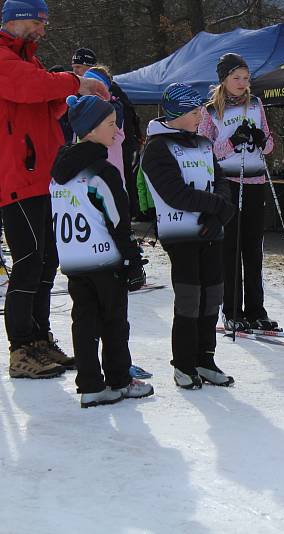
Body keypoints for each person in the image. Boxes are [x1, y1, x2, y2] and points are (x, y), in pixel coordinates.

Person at [0, 0, 110, 379]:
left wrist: (71, 101)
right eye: (38, 22)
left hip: (42, 177)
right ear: (15, 21)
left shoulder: (29, 61)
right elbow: (28, 88)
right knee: (29, 262)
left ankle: (40, 338)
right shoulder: (4, 58)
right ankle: (21, 349)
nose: (42, 31)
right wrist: (73, 81)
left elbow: (42, 104)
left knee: (47, 263)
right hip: (17, 180)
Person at [50, 95, 153, 407]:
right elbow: (118, 222)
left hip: (73, 259)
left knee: (83, 322)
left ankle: (91, 384)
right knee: (113, 322)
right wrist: (132, 261)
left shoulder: (58, 173)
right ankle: (119, 379)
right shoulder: (101, 171)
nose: (116, 131)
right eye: (110, 124)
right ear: (91, 130)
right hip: (103, 259)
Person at [140, 83, 235, 389]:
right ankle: (183, 364)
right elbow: (174, 193)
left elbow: (220, 181)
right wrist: (217, 208)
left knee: (212, 296)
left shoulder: (204, 144)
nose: (200, 116)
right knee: (190, 298)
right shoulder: (156, 148)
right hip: (180, 233)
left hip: (210, 230)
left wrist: (219, 213)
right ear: (177, 113)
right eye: (195, 111)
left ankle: (205, 359)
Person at [198, 53, 278, 333]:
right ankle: (231, 309)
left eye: (246, 78)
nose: (243, 83)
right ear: (224, 80)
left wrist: (260, 140)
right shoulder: (209, 112)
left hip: (255, 183)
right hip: (228, 185)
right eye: (237, 78)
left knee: (254, 250)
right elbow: (205, 153)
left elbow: (269, 146)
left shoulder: (256, 104)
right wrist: (233, 141)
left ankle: (257, 310)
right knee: (230, 251)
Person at [73, 47, 144, 219]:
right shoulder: (81, 105)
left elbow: (119, 126)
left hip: (111, 164)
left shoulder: (113, 105)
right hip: (88, 169)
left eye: (78, 69)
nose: (75, 73)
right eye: (73, 68)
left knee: (114, 206)